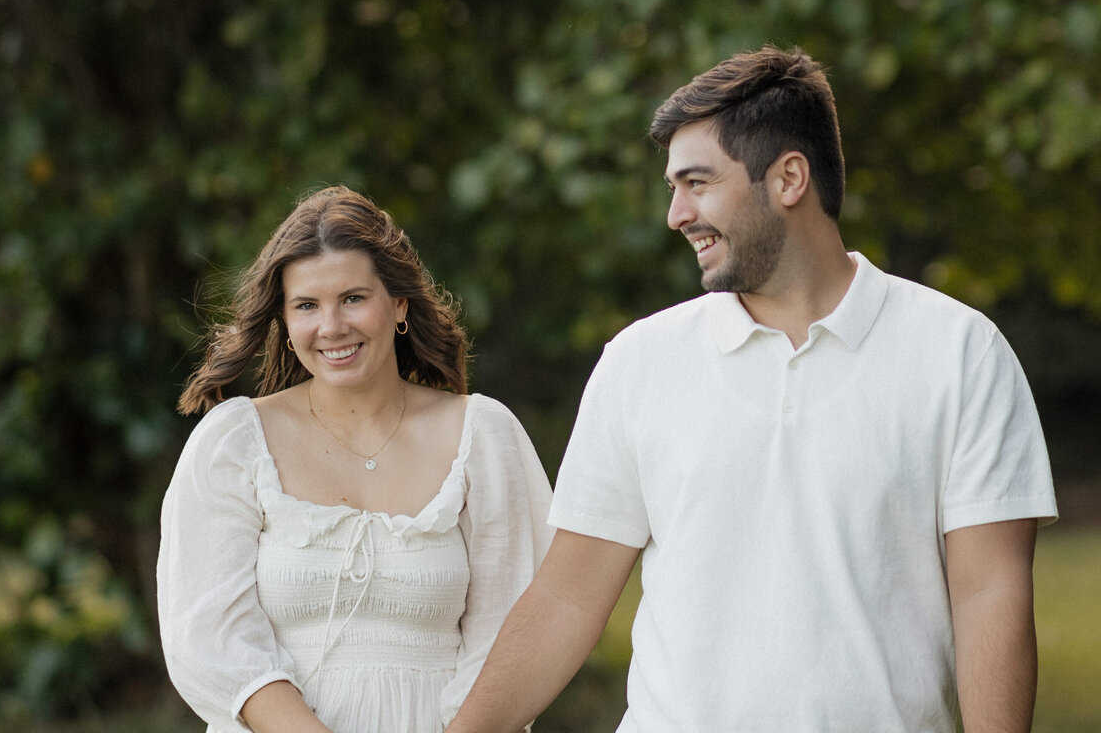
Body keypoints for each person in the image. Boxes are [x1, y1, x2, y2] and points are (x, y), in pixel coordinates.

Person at [446, 46, 1058, 733]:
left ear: (789, 177)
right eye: (673, 188)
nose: (677, 214)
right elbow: (567, 598)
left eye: (698, 183)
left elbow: (990, 594)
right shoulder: (639, 363)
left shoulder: (959, 353)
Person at [157, 186, 553, 733]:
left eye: (353, 298)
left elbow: (516, 631)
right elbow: (208, 636)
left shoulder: (482, 435)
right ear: (284, 321)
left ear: (399, 305)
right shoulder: (235, 442)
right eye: (306, 306)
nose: (332, 326)